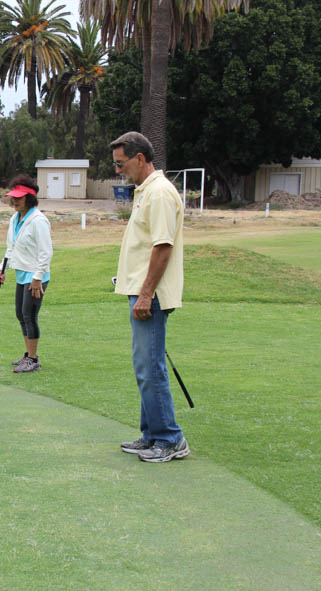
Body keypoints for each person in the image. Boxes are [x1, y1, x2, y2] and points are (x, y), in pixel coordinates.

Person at [110, 132, 189, 463]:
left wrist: (145, 295)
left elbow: (162, 247)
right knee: (144, 364)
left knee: (150, 366)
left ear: (139, 158)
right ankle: (151, 434)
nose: (118, 170)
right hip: (142, 293)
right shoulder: (146, 192)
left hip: (150, 296)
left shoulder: (158, 194)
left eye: (120, 163)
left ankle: (170, 438)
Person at [0, 175, 53, 373]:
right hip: (21, 274)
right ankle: (28, 355)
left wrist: (37, 278)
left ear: (30, 198)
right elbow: (10, 248)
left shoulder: (39, 221)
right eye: (13, 197)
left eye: (19, 197)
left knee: (29, 315)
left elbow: (46, 253)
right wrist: (2, 270)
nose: (15, 201)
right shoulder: (15, 218)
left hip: (36, 277)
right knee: (20, 314)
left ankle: (33, 359)